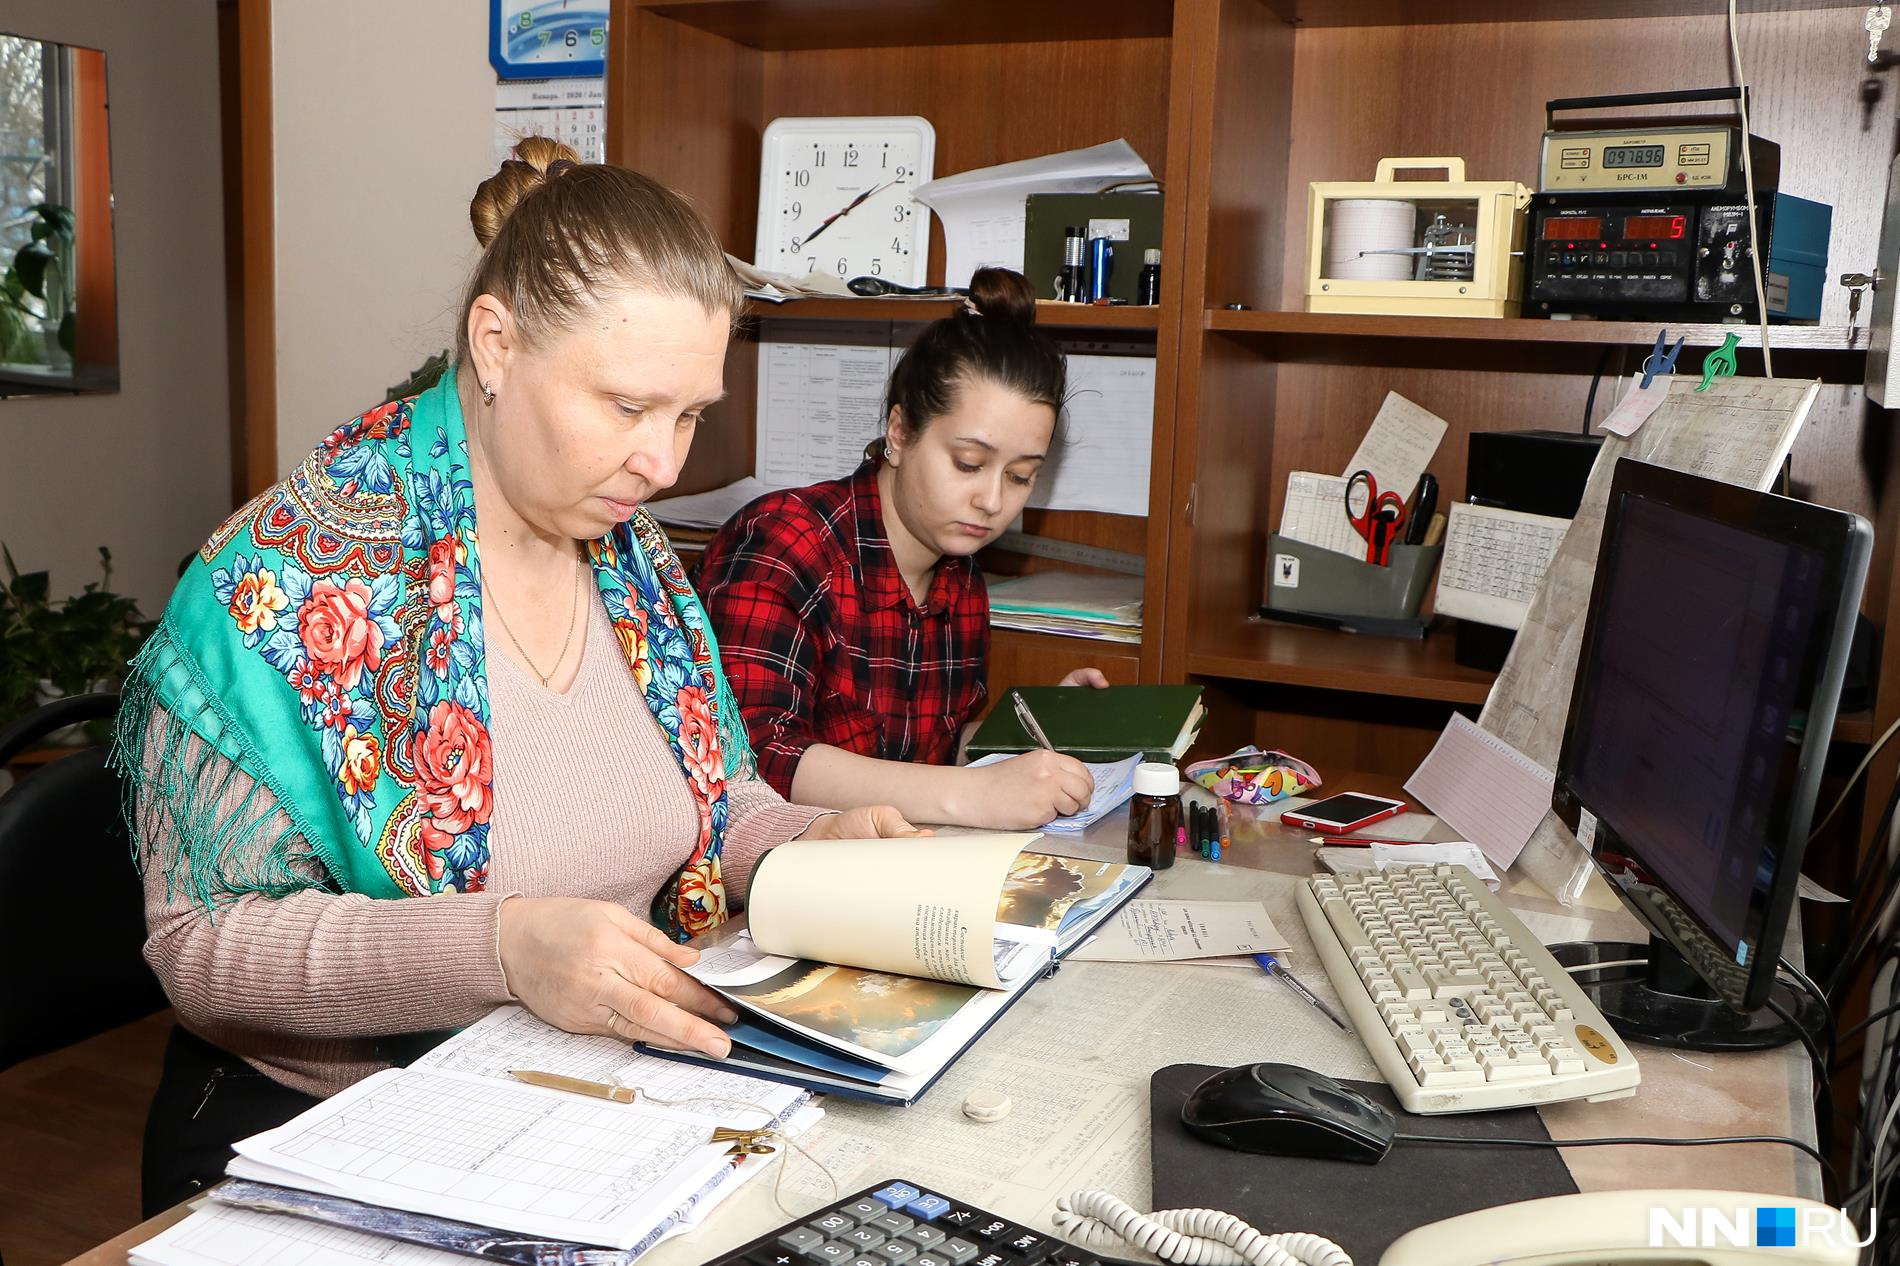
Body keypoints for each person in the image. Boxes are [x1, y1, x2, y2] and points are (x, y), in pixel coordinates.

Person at [120, 138, 915, 1215]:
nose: (666, 463)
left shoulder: (631, 557)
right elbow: (204, 946)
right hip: (324, 1139)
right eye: (627, 407)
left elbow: (710, 802)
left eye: (689, 415)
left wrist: (811, 846)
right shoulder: (282, 584)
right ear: (496, 343)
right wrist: (501, 946)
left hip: (592, 1110)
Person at [693, 269, 1108, 832]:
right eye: (968, 463)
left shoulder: (960, 579)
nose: (991, 501)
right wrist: (970, 793)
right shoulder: (783, 542)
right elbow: (755, 759)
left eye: (1020, 476)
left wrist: (1027, 734)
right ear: (900, 432)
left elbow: (927, 758)